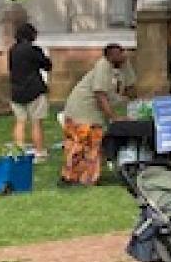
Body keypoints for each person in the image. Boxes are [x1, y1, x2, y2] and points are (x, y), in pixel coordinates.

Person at [60, 44, 128, 186]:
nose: (124, 56)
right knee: (87, 146)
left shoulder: (112, 69)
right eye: (120, 53)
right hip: (84, 114)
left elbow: (127, 88)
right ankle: (80, 178)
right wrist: (113, 117)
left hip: (81, 113)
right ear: (111, 56)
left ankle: (76, 177)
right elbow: (100, 94)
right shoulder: (103, 66)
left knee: (83, 146)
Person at [8, 22, 53, 160]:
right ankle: (39, 151)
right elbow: (47, 66)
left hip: (16, 90)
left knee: (20, 122)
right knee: (36, 122)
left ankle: (18, 151)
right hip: (34, 90)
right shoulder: (33, 50)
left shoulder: (12, 50)